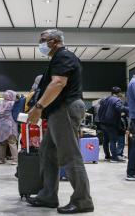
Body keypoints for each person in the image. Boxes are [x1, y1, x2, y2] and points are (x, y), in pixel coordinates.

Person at [27, 29, 94, 214]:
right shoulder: (60, 58)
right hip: (59, 109)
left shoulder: (63, 56)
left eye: (43, 40)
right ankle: (48, 195)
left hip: (65, 108)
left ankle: (83, 201)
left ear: (55, 41)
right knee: (47, 151)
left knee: (69, 155)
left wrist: (38, 107)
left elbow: (58, 83)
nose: (40, 43)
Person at [98, 87, 127, 163]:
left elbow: (100, 110)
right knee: (113, 141)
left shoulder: (105, 99)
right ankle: (114, 158)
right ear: (119, 93)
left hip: (103, 123)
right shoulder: (117, 100)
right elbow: (119, 108)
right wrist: (127, 109)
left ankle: (107, 156)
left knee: (106, 140)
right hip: (111, 123)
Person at [0, 90, 19, 165]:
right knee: (12, 142)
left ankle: (1, 159)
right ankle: (15, 160)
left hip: (1, 126)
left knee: (2, 143)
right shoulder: (13, 103)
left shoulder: (1, 104)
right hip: (10, 125)